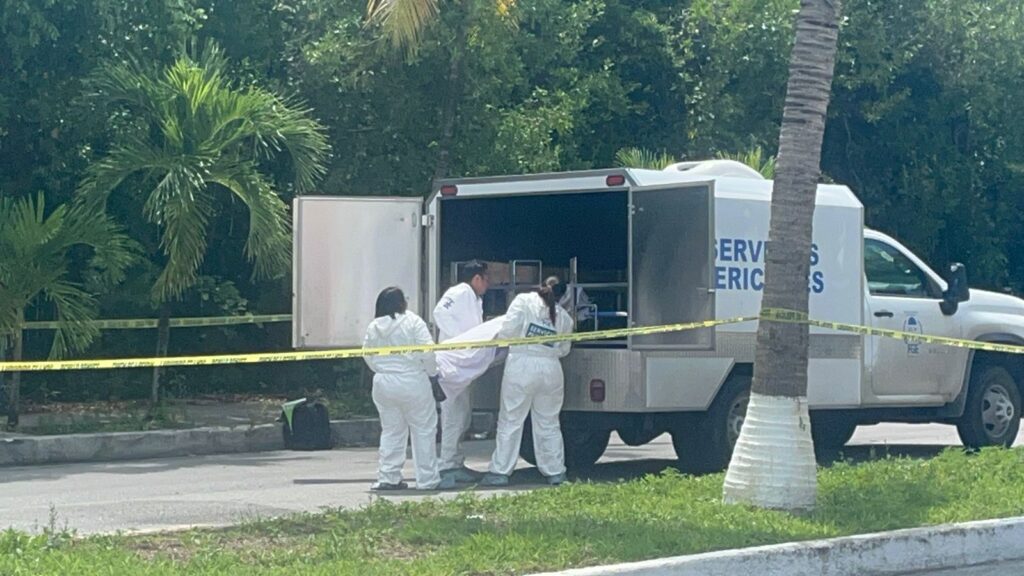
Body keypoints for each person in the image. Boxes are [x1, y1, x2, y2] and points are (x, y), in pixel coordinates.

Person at [482, 276, 574, 487]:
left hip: (521, 365)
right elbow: (564, 350)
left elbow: (507, 331)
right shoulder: (564, 318)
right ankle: (556, 473)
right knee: (549, 422)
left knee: (511, 421)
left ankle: (500, 471)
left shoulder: (523, 302)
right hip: (551, 370)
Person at [363, 287, 455, 491]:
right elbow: (428, 351)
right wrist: (432, 373)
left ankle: (388, 477)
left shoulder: (373, 326)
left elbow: (367, 355)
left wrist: (382, 369)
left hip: (383, 383)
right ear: (400, 303)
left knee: (391, 431)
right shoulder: (413, 321)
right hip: (413, 381)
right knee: (423, 430)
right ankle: (428, 480)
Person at [432, 260, 490, 483]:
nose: (488, 284)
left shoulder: (474, 298)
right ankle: (448, 464)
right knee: (453, 415)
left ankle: (455, 461)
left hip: (463, 363)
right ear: (476, 278)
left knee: (462, 414)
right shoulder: (460, 291)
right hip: (453, 361)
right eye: (486, 279)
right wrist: (463, 340)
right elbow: (440, 313)